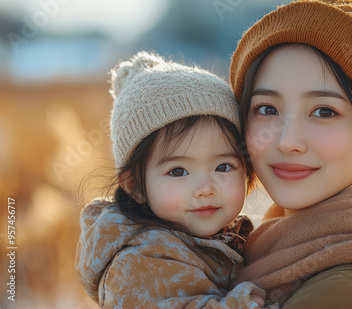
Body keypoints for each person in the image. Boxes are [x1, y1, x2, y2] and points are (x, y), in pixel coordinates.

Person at [229, 0, 352, 308]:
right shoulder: (261, 252)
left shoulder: (346, 292)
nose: (287, 141)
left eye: (324, 111)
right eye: (267, 109)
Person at [75, 51, 276, 308]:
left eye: (223, 166)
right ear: (135, 186)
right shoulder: (138, 262)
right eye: (178, 171)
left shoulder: (227, 237)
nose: (205, 188)